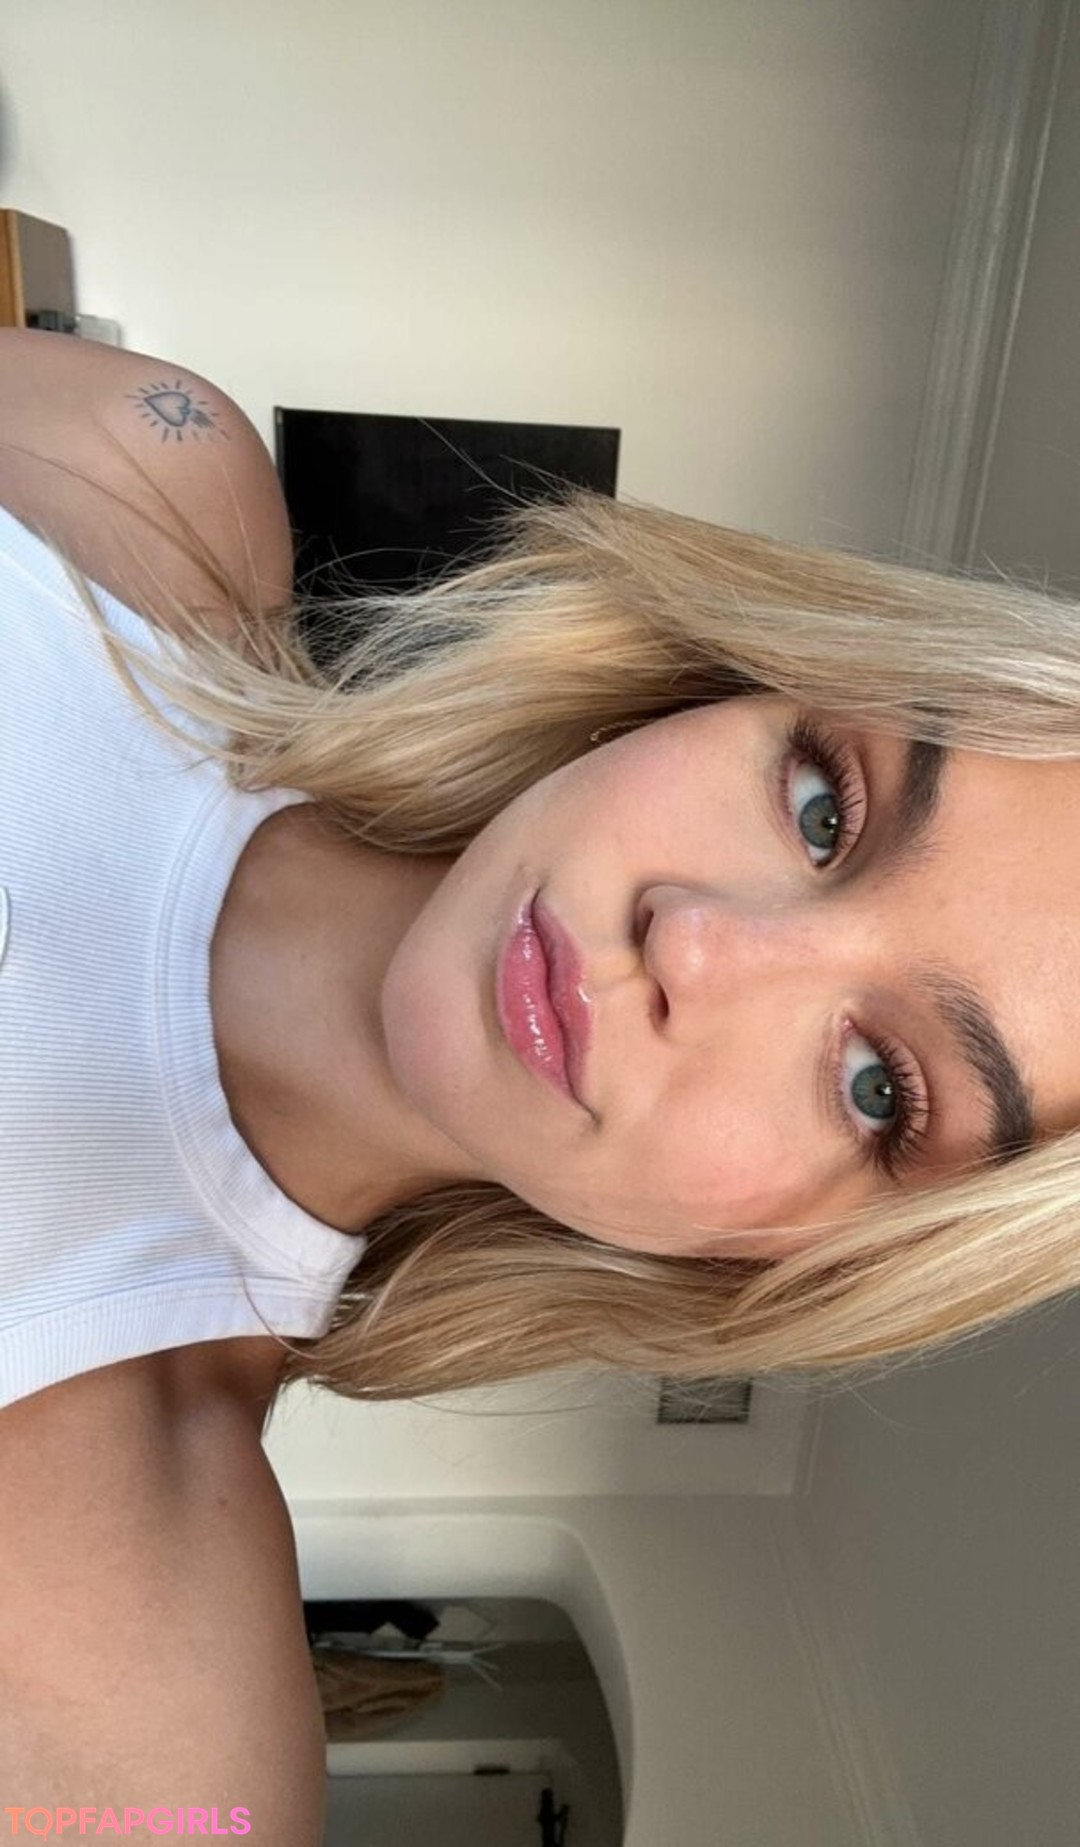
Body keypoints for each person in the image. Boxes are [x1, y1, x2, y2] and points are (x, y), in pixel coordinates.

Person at [2, 325, 1079, 1835]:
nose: (698, 942)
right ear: (728, 689)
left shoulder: (150, 1728)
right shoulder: (144, 464)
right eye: (824, 806)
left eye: (877, 1087)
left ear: (806, 1261)